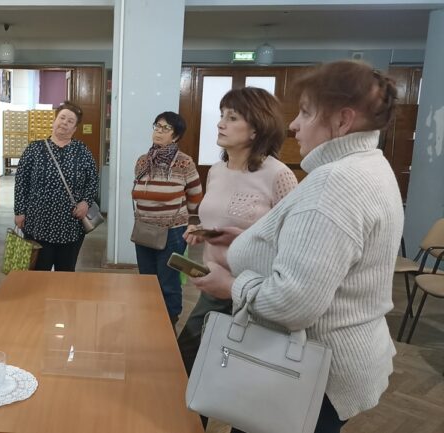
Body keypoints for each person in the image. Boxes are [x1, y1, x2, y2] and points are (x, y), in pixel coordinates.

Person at [191, 61, 402, 433]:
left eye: (305, 112)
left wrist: (232, 287)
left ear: (343, 120)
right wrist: (244, 240)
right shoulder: (369, 166)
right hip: (329, 362)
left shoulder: (334, 184)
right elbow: (319, 253)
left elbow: (293, 304)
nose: (293, 125)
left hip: (311, 372)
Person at [176, 87, 297, 377]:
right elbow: (222, 219)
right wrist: (204, 231)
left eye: (232, 118)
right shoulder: (217, 170)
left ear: (256, 129)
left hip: (254, 290)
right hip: (214, 284)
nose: (220, 124)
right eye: (222, 116)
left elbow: (294, 240)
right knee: (187, 359)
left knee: (235, 371)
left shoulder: (278, 175)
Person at [132, 111, 203, 326]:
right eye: (157, 126)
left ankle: (169, 323)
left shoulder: (184, 163)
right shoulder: (143, 161)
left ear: (176, 136)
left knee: (168, 282)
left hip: (172, 232)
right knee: (147, 280)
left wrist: (188, 220)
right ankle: (150, 319)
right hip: (144, 230)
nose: (159, 131)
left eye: (166, 128)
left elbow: (195, 196)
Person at [14, 101, 99, 271]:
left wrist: (86, 202)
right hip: (38, 223)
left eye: (70, 121)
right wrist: (19, 211)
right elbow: (21, 182)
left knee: (66, 273)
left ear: (74, 129)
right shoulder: (34, 149)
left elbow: (93, 180)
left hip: (70, 225)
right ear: (54, 121)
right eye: (62, 118)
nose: (64, 123)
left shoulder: (82, 151)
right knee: (39, 273)